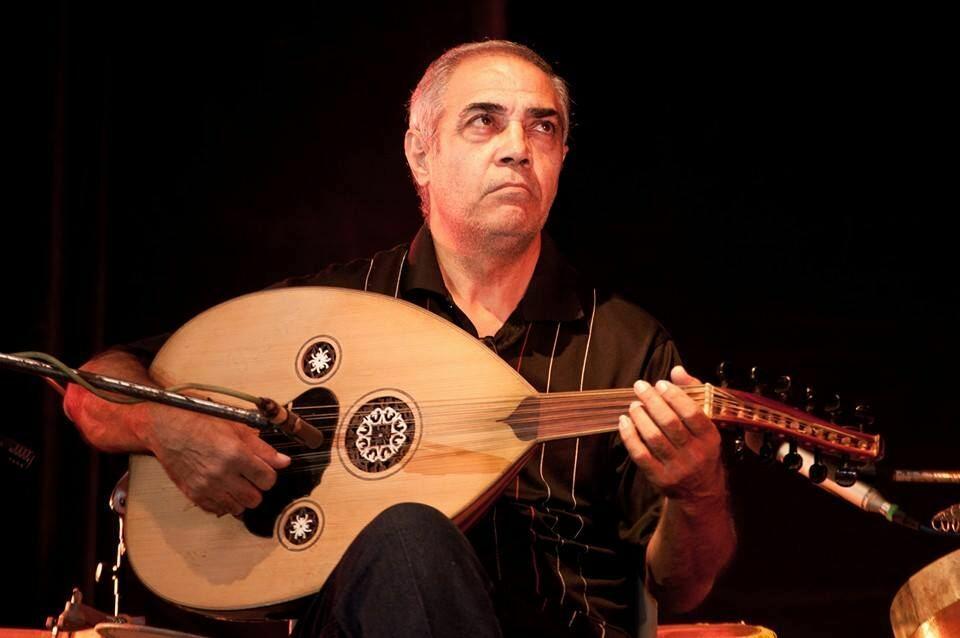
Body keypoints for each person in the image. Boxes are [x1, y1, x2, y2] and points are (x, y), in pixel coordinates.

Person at [64, 40, 735, 637]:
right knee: (408, 534)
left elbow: (681, 587)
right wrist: (163, 425)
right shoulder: (334, 307)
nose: (517, 147)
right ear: (420, 153)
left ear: (562, 156)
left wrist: (697, 492)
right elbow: (89, 388)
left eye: (543, 126)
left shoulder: (626, 344)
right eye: (484, 121)